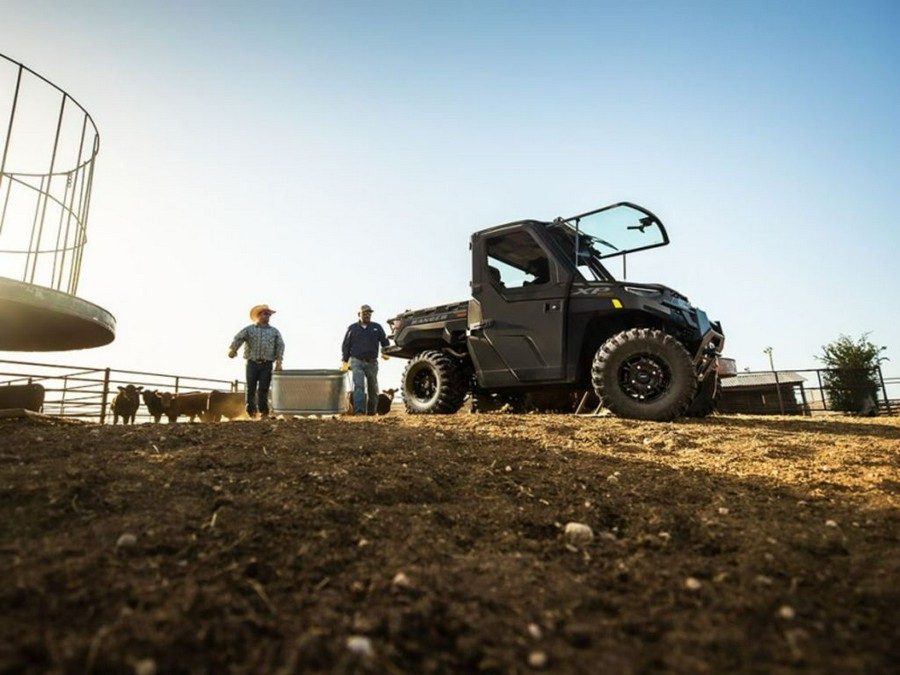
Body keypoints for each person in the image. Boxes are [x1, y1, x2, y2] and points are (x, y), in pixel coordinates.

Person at [228, 304, 285, 419]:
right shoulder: (249, 330)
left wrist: (279, 361)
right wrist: (233, 349)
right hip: (252, 363)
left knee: (264, 388)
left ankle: (264, 412)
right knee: (251, 388)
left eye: (269, 314)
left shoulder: (274, 332)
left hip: (267, 363)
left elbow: (280, 345)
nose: (268, 316)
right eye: (265, 314)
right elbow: (239, 338)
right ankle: (251, 412)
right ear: (259, 315)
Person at [341, 304, 390, 415]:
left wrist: (386, 352)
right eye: (365, 313)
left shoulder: (377, 327)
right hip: (356, 361)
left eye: (369, 313)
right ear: (359, 314)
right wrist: (344, 361)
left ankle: (372, 412)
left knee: (373, 387)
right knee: (359, 386)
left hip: (372, 362)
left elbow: (384, 341)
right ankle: (359, 412)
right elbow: (346, 345)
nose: (367, 315)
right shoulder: (352, 328)